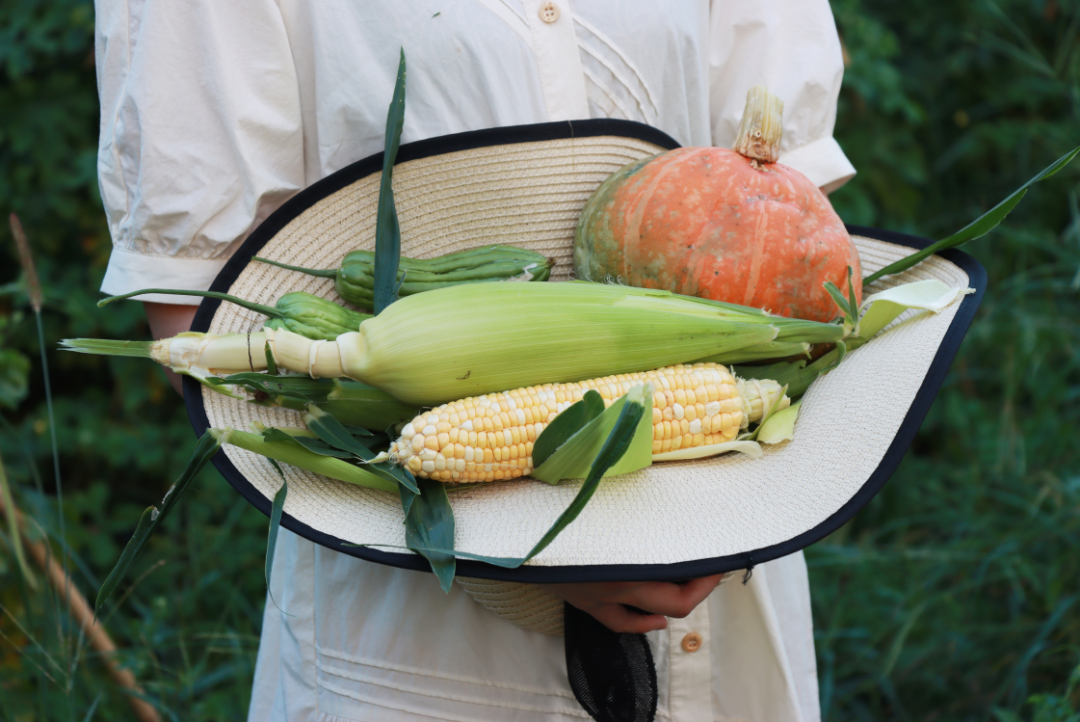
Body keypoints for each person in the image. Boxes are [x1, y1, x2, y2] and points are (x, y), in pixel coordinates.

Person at [95, 2, 855, 719]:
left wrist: (717, 514)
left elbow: (795, 245)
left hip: (731, 545)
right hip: (427, 618)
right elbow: (205, 319)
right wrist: (557, 546)